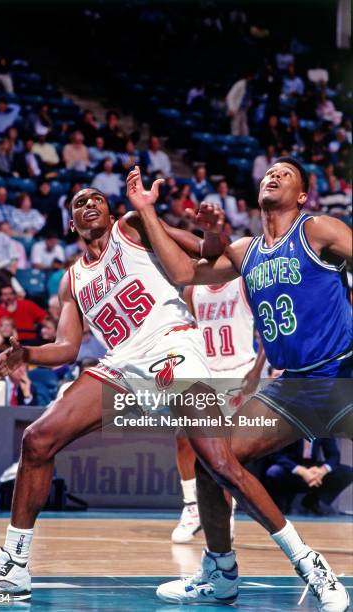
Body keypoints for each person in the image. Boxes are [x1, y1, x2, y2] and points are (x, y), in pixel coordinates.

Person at [0, 183, 224, 600]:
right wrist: (25, 352)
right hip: (123, 367)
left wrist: (209, 230)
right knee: (38, 439)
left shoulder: (134, 227)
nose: (89, 204)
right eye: (79, 203)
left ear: (110, 209)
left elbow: (204, 251)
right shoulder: (72, 281)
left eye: (96, 198)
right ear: (71, 222)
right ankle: (13, 567)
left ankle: (233, 563)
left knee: (219, 460)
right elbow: (66, 349)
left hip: (170, 346)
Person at [126, 162, 351, 610]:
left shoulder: (319, 230)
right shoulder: (246, 251)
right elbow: (185, 274)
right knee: (214, 456)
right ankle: (220, 571)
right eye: (269, 172)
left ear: (303, 195)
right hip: (293, 387)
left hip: (343, 374)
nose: (273, 176)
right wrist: (147, 212)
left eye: (285, 174)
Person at [172, 275, 265, 544]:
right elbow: (187, 331)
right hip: (205, 372)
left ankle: (227, 512)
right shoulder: (193, 288)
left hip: (240, 372)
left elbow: (269, 329)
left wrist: (258, 371)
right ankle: (192, 507)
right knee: (182, 438)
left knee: (224, 449)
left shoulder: (243, 283)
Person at [265, 438, 353, 515]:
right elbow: (276, 455)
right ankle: (281, 504)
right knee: (274, 472)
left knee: (347, 472)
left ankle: (313, 501)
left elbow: (333, 455)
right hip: (290, 466)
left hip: (313, 468)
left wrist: (322, 471)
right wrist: (301, 471)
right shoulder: (288, 426)